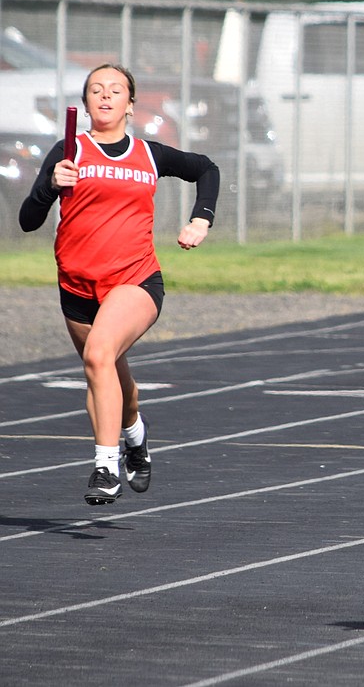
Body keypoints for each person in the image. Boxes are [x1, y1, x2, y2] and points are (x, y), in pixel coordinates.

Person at [19, 64, 220, 505]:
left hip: (134, 280)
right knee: (105, 372)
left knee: (98, 354)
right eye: (96, 90)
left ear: (130, 104)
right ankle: (135, 434)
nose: (105, 97)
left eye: (115, 91)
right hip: (76, 287)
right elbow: (28, 220)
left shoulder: (150, 154)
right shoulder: (68, 150)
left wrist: (200, 219)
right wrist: (50, 187)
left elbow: (205, 168)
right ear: (86, 102)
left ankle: (105, 467)